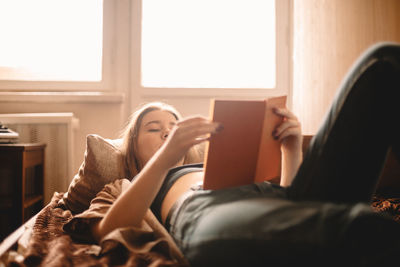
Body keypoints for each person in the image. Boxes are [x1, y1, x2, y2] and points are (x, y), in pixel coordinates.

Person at [91, 42, 400, 267]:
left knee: (383, 61)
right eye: (153, 128)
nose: (167, 132)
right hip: (207, 211)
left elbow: (292, 200)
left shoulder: (205, 163)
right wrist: (165, 158)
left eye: (173, 125)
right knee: (360, 229)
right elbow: (107, 230)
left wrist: (290, 150)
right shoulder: (122, 187)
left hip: (276, 200)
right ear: (132, 144)